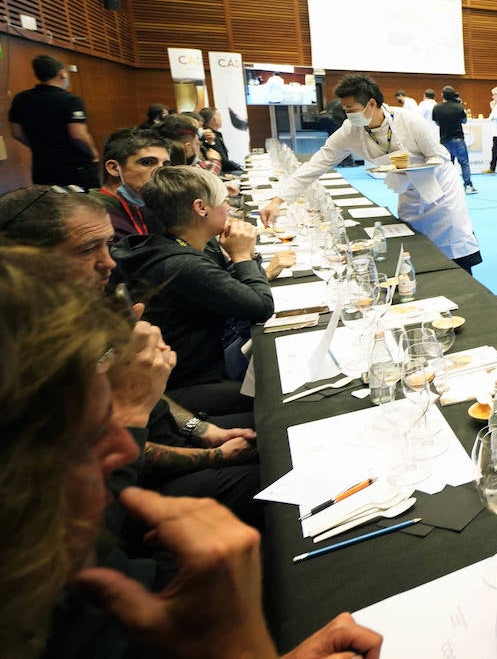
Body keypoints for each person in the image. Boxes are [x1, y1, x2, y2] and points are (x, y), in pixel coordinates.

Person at [0, 251, 382, 659]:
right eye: (83, 438)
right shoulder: (41, 603)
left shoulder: (47, 565)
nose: (123, 448)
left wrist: (196, 429)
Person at [1, 188, 265, 524]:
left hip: (156, 443)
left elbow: (149, 401)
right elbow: (106, 453)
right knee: (281, 476)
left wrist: (201, 430)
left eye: (107, 244)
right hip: (122, 492)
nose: (108, 262)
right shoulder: (26, 351)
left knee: (276, 426)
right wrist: (214, 455)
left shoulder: (88, 301)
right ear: (23, 260)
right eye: (86, 250)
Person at [258, 75, 482, 272]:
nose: (347, 115)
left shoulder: (408, 120)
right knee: (413, 245)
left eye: (351, 110)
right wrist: (278, 200)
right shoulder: (350, 131)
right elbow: (315, 165)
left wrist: (410, 168)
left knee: (452, 245)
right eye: (345, 110)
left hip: (440, 189)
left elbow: (438, 156)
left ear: (371, 104)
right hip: (408, 191)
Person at [114, 166, 275, 414]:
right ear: (201, 208)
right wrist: (243, 256)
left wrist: (245, 259)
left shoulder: (172, 244)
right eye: (224, 201)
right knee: (277, 391)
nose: (229, 208)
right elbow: (260, 307)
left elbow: (231, 284)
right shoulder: (181, 263)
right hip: (185, 384)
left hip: (198, 365)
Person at [6, 53, 101, 188]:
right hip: (75, 168)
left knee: (51, 205)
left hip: (42, 167)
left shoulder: (21, 99)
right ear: (63, 74)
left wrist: (40, 147)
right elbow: (78, 136)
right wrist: (94, 153)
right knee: (86, 205)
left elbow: (17, 132)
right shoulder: (71, 100)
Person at [97, 129, 172, 240]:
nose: (161, 172)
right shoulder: (98, 217)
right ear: (114, 168)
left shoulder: (146, 203)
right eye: (147, 162)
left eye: (165, 164)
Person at [433, 85, 476, 194]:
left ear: (442, 95)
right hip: (457, 138)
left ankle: (446, 187)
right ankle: (468, 186)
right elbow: (465, 120)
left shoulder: (437, 107)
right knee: (464, 163)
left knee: (447, 164)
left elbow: (436, 122)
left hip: (444, 140)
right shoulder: (458, 107)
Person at [197, 107, 242, 173]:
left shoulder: (216, 134)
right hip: (220, 171)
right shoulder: (208, 136)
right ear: (214, 119)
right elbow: (222, 160)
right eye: (219, 116)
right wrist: (239, 167)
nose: (221, 119)